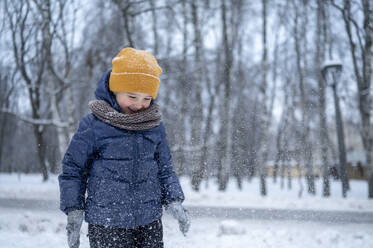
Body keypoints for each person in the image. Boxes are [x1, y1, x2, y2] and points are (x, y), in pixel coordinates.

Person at [58, 47, 190, 248]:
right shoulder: (94, 125)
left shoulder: (154, 125)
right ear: (114, 90)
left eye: (147, 98)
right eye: (132, 96)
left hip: (149, 222)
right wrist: (74, 210)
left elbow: (165, 168)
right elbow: (73, 169)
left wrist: (174, 200)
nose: (139, 105)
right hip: (107, 224)